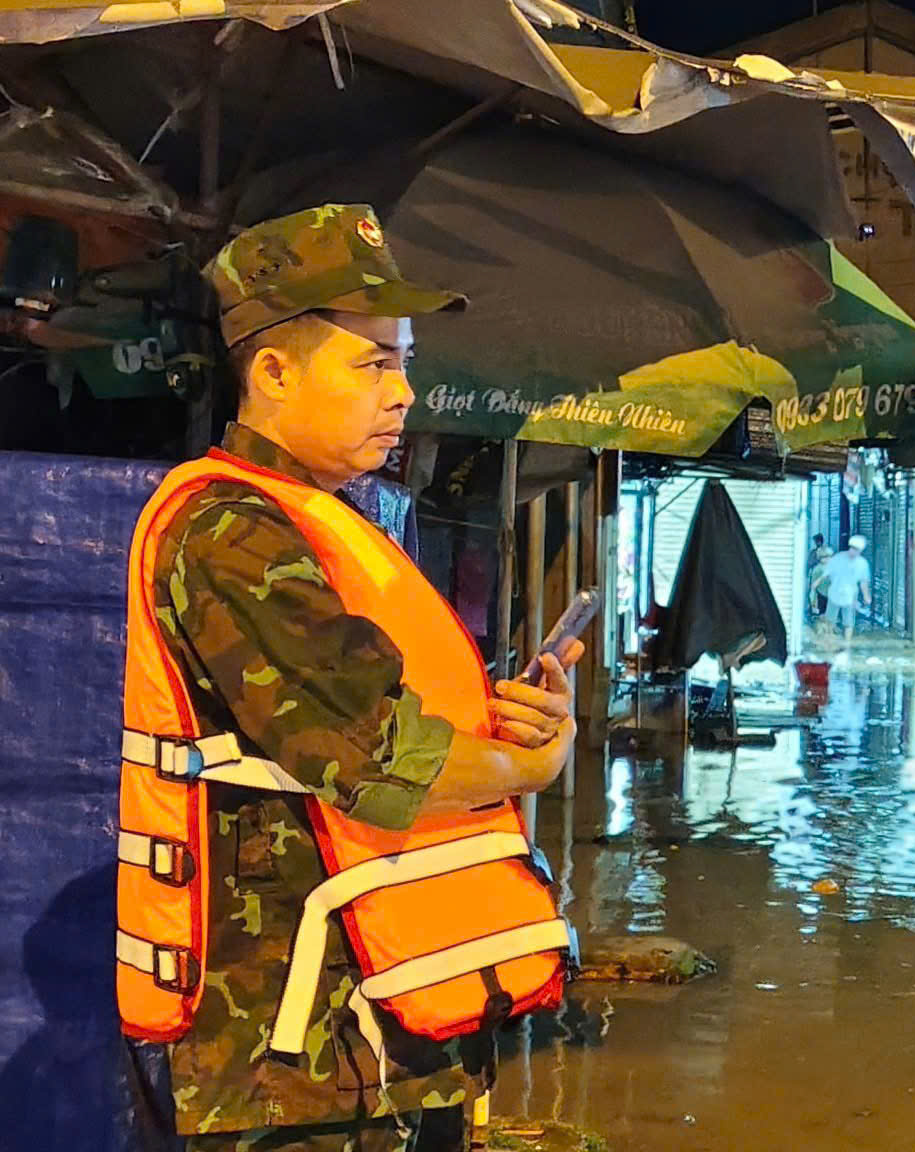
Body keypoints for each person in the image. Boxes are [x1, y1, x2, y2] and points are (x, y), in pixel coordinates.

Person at [118, 206, 583, 1151]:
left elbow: (403, 718)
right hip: (299, 1067)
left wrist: (517, 722)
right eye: (374, 362)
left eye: (405, 361)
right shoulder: (230, 532)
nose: (405, 393)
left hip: (382, 1034)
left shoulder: (326, 521)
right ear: (276, 372)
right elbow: (382, 761)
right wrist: (534, 770)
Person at [818, 534, 872, 647]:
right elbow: (826, 572)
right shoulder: (838, 558)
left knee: (849, 622)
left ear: (860, 551)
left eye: (857, 550)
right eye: (852, 548)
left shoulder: (862, 564)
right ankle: (829, 640)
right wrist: (817, 581)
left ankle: (847, 644)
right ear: (850, 547)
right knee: (830, 620)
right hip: (835, 593)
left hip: (850, 595)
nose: (854, 552)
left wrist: (866, 596)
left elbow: (864, 582)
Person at [808, 533, 832, 617]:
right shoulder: (814, 553)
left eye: (818, 541)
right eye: (816, 541)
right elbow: (810, 563)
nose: (817, 543)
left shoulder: (826, 551)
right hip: (817, 580)